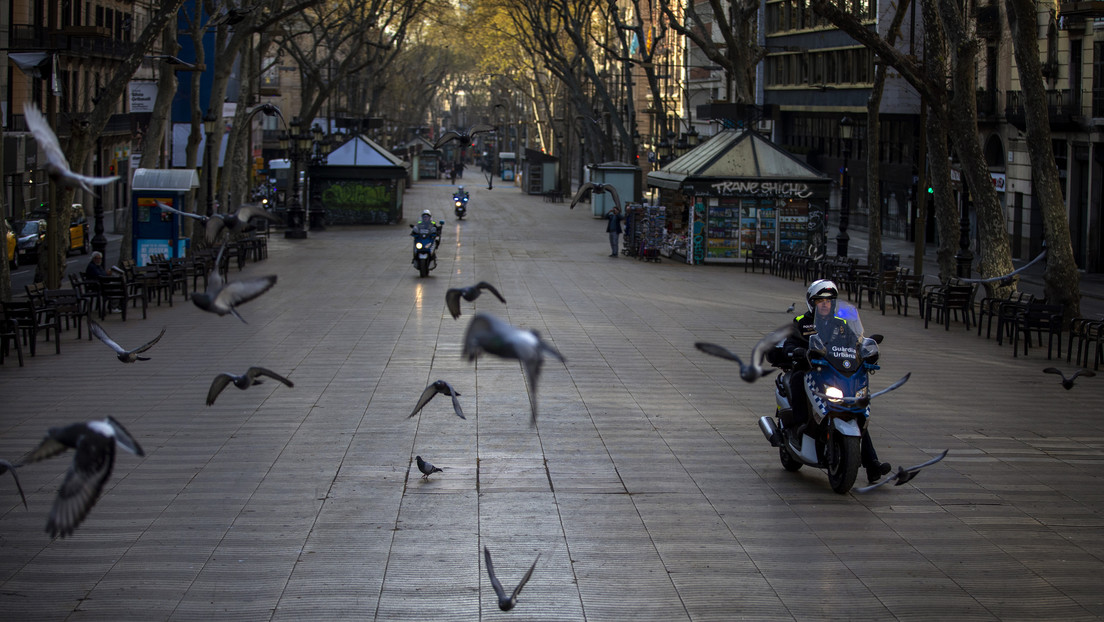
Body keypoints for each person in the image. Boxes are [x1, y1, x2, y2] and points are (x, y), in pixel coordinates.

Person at [769, 279, 891, 484]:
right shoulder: (802, 321)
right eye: (820, 300)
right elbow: (790, 342)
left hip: (834, 371)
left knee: (855, 410)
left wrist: (868, 354)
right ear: (812, 302)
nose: (825, 304)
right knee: (798, 379)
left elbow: (857, 343)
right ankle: (799, 425)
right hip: (808, 369)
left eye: (829, 301)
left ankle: (872, 464)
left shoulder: (842, 324)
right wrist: (797, 350)